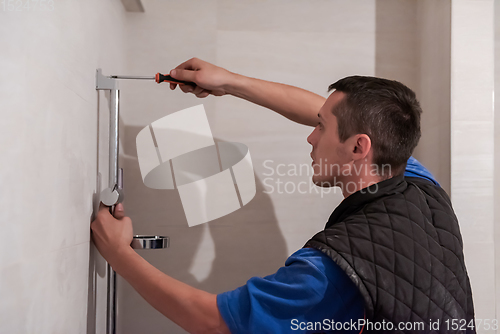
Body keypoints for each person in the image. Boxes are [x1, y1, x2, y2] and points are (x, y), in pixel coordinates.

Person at [91, 58, 475, 334]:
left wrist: (118, 253)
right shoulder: (421, 189)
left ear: (359, 148)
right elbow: (333, 114)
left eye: (320, 128)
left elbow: (214, 322)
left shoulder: (333, 271)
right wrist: (229, 81)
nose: (310, 136)